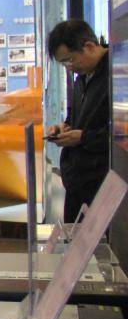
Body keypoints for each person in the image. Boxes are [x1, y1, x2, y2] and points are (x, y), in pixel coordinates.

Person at [46, 19, 110, 222]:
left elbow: (120, 135)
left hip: (103, 184)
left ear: (89, 47)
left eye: (70, 60)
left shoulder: (117, 75)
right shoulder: (82, 77)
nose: (69, 67)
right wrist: (65, 127)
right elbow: (78, 117)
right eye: (63, 63)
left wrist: (83, 138)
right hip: (79, 181)